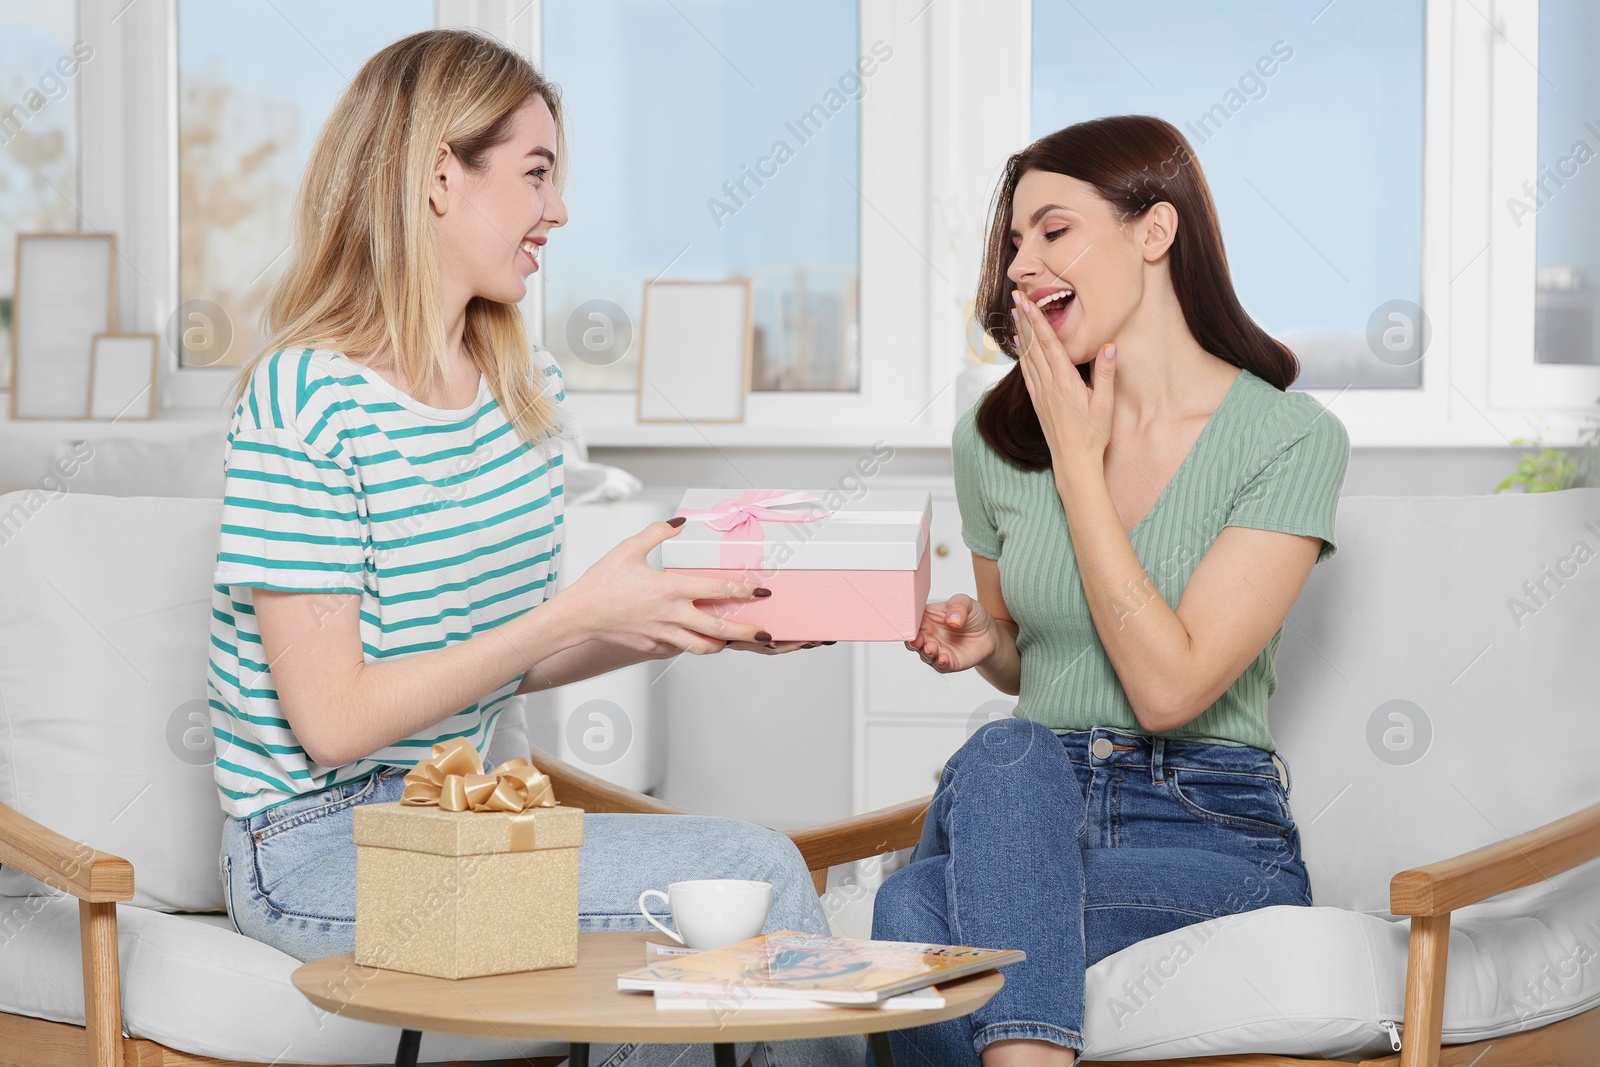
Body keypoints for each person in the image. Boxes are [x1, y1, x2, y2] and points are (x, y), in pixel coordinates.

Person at [208, 28, 857, 1067]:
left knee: (735, 879)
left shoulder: (526, 389)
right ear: (436, 177)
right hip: (320, 844)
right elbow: (333, 722)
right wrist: (575, 610)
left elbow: (510, 652)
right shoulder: (305, 396)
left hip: (473, 818)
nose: (558, 211)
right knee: (747, 874)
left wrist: (672, 621)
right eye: (536, 174)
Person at [873, 115, 1351, 1066]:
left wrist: (1081, 466)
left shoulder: (1291, 439)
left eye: (1053, 231)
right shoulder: (994, 439)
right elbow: (1024, 660)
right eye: (1014, 242)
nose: (1019, 265)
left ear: (1154, 232)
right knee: (1009, 748)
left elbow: (1167, 688)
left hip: (1208, 825)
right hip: (1027, 806)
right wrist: (990, 643)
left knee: (911, 908)